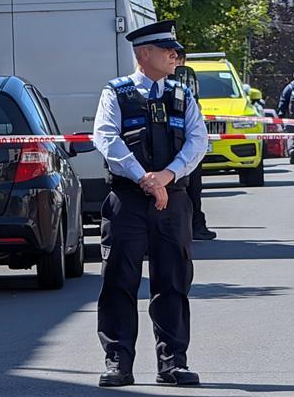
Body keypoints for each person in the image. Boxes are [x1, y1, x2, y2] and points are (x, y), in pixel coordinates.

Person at [93, 20, 207, 387]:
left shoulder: (183, 94)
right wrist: (144, 177)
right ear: (144, 54)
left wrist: (166, 177)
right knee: (118, 282)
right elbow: (107, 139)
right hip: (128, 200)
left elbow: (197, 142)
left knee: (173, 282)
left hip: (172, 201)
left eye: (175, 50)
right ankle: (118, 363)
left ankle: (173, 363)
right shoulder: (116, 93)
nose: (175, 55)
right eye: (166, 50)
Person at [172, 48, 217, 241]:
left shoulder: (182, 79)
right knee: (189, 186)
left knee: (192, 187)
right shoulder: (178, 78)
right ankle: (194, 225)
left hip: (183, 141)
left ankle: (195, 224)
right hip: (179, 140)